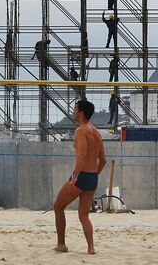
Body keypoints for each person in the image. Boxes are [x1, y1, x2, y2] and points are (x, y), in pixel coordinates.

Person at [53, 99, 107, 255]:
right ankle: (91, 248)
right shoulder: (97, 132)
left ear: (81, 112)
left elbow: (82, 155)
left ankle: (61, 244)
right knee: (84, 215)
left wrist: (76, 176)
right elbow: (103, 160)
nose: (73, 111)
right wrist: (94, 174)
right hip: (92, 178)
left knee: (58, 207)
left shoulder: (81, 130)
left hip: (81, 176)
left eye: (75, 108)